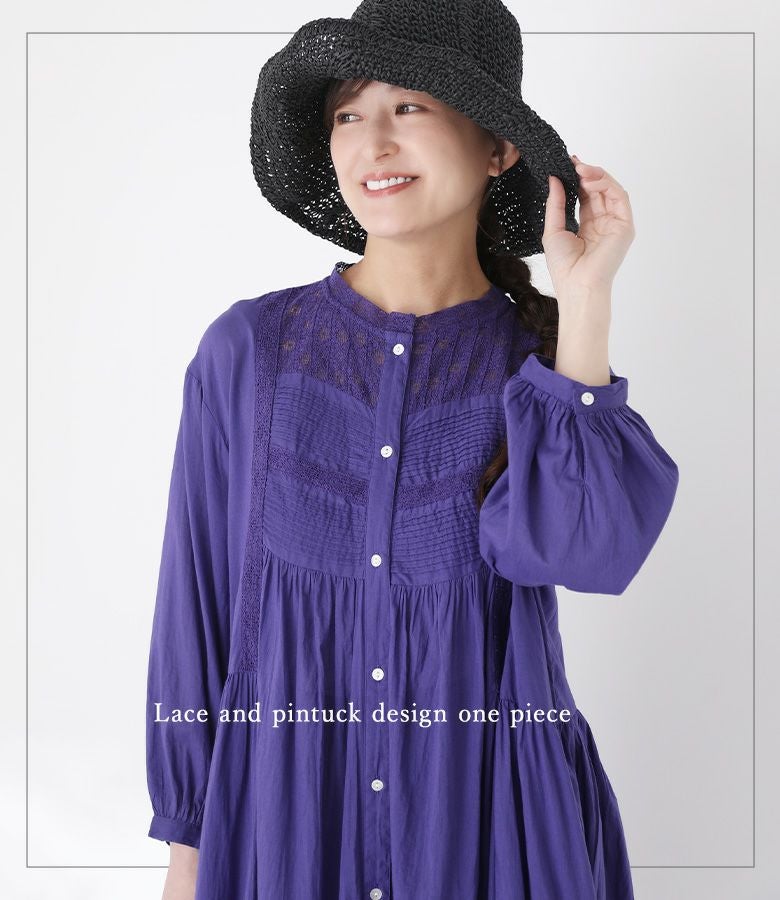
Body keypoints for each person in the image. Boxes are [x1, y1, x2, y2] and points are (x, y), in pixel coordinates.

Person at [145, 1, 680, 898]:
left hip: (499, 826)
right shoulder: (250, 351)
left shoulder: (541, 370)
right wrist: (189, 843)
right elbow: (193, 606)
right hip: (284, 825)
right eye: (348, 114)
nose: (373, 143)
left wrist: (585, 302)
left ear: (497, 148)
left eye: (409, 107)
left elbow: (584, 555)